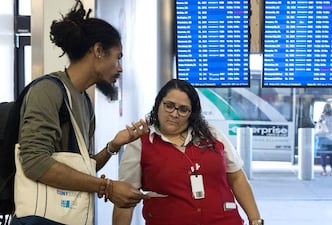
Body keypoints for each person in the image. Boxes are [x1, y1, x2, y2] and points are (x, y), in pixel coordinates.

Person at [11, 1, 148, 224]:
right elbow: (34, 162)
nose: (120, 67)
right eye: (118, 57)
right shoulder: (47, 91)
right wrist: (107, 187)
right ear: (98, 51)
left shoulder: (84, 101)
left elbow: (80, 167)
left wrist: (113, 146)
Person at [112, 79, 263, 225]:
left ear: (192, 113)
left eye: (183, 109)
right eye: (169, 106)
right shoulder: (140, 143)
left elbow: (237, 177)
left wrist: (255, 220)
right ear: (158, 104)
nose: (174, 114)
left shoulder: (212, 135)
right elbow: (124, 199)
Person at [316, 103, 332, 176]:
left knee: (323, 155)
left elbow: (318, 126)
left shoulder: (322, 116)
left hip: (324, 138)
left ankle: (324, 171)